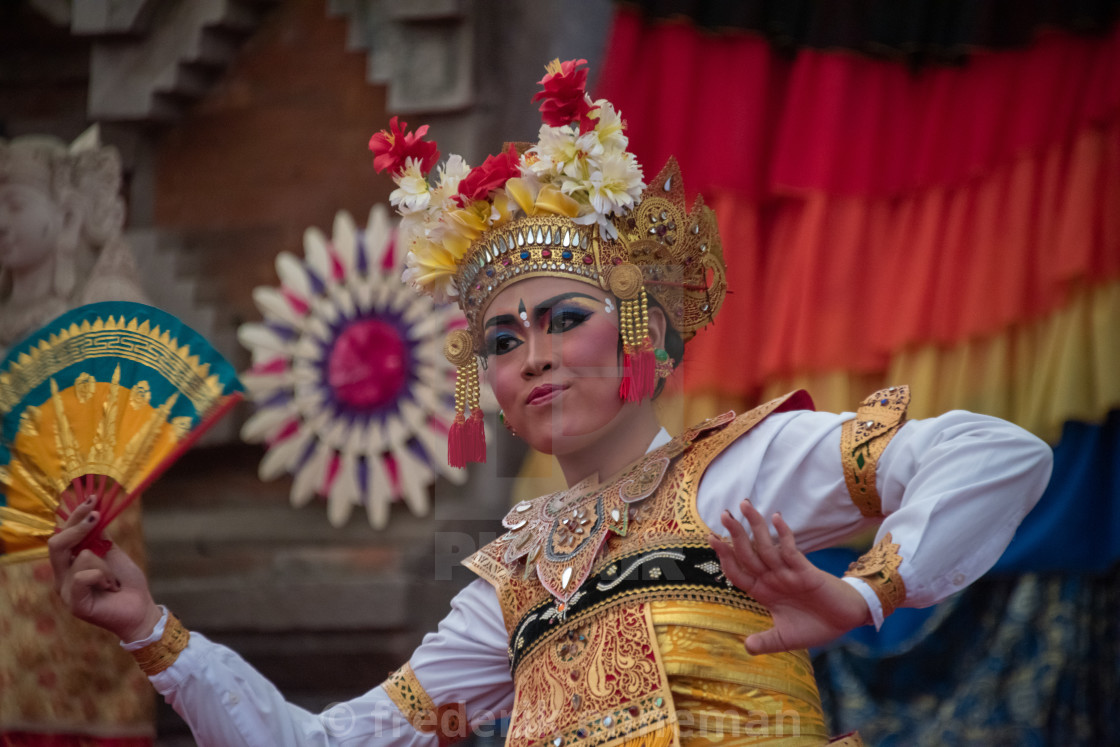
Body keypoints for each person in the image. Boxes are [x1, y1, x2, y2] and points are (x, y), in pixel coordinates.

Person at [48, 60, 1052, 746]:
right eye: (499, 337)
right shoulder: (507, 590)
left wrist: (867, 592)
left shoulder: (746, 466)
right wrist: (151, 630)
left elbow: (994, 455)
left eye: (562, 319)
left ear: (644, 339)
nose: (529, 354)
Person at [0, 129, 153, 743]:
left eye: (14, 205)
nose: (2, 224)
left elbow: (133, 425)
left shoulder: (103, 305)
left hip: (75, 525)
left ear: (64, 213)